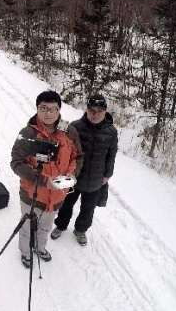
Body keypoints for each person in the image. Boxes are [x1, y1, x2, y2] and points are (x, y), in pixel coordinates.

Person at [10, 90, 78, 268]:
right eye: (44, 108)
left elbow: (77, 157)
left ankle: (40, 247)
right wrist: (43, 180)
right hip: (32, 193)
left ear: (59, 110)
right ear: (37, 109)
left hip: (57, 195)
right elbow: (16, 163)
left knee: (46, 225)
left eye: (53, 109)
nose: (48, 113)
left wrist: (72, 174)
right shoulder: (27, 133)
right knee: (27, 227)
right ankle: (25, 252)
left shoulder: (69, 131)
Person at [51, 94, 118, 246]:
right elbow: (58, 137)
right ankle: (60, 225)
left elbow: (111, 154)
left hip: (96, 178)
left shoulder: (111, 132)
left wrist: (107, 175)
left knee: (88, 209)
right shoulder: (74, 126)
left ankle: (80, 230)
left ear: (105, 111)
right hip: (73, 176)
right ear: (86, 110)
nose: (95, 114)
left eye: (99, 111)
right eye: (92, 111)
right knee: (66, 204)